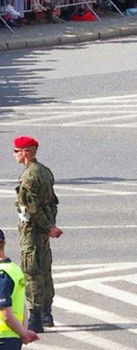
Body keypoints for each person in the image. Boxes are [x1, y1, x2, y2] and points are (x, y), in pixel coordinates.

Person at [12, 136, 60, 334]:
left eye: (17, 151)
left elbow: (31, 207)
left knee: (31, 270)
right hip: (43, 227)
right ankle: (47, 313)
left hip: (32, 229)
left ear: (27, 152)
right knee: (45, 268)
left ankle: (35, 316)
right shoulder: (45, 171)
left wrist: (47, 226)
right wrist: (51, 224)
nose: (14, 155)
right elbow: (52, 202)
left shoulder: (29, 176)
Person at [0, 228, 38, 347]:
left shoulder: (2, 274)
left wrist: (23, 333)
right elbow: (22, 306)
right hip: (13, 337)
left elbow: (6, 313)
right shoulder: (14, 269)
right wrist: (23, 331)